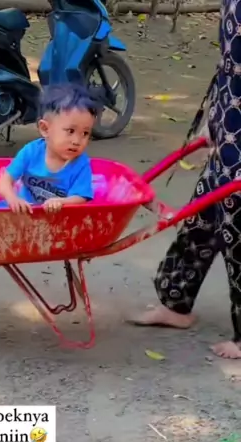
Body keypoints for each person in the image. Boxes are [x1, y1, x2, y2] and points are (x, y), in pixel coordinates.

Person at [134, 0, 241, 359]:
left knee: (238, 226)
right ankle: (175, 303)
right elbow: (229, 62)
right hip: (230, 116)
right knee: (201, 218)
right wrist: (215, 115)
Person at [0, 84, 99, 214]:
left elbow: (81, 197)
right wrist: (12, 199)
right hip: (23, 211)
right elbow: (5, 180)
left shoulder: (81, 164)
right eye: (70, 131)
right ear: (45, 129)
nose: (77, 141)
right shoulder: (31, 152)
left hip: (57, 217)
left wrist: (61, 202)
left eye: (85, 133)